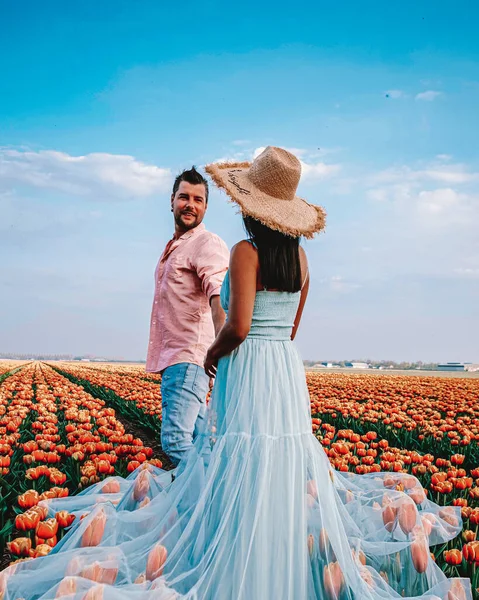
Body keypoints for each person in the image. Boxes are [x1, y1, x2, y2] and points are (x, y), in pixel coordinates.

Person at [1, 148, 470, 600]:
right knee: (276, 462)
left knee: (242, 457)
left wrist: (212, 353)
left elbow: (238, 326)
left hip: (248, 365)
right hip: (283, 368)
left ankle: (239, 561)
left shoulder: (247, 252)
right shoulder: (302, 259)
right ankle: (277, 565)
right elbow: (289, 328)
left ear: (250, 208)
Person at [146, 166, 229, 467]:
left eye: (198, 199)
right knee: (200, 442)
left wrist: (221, 347)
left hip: (189, 357)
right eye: (184, 197)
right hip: (175, 357)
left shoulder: (206, 244)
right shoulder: (175, 246)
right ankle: (212, 500)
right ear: (171, 201)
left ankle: (203, 506)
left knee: (175, 441)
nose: (190, 205)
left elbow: (218, 294)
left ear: (206, 206)